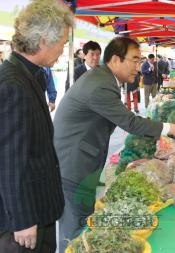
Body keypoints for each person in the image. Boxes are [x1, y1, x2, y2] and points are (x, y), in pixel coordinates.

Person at [53, 37, 175, 253]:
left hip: (81, 158)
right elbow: (129, 121)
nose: (139, 67)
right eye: (135, 60)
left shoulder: (104, 79)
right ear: (116, 59)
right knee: (76, 231)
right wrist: (170, 128)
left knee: (81, 219)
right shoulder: (99, 84)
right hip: (73, 163)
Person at [0, 0, 74, 252]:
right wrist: (22, 220)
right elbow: (8, 160)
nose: (63, 49)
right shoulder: (13, 84)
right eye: (63, 42)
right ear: (43, 40)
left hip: (38, 207)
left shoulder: (29, 74)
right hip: (23, 222)